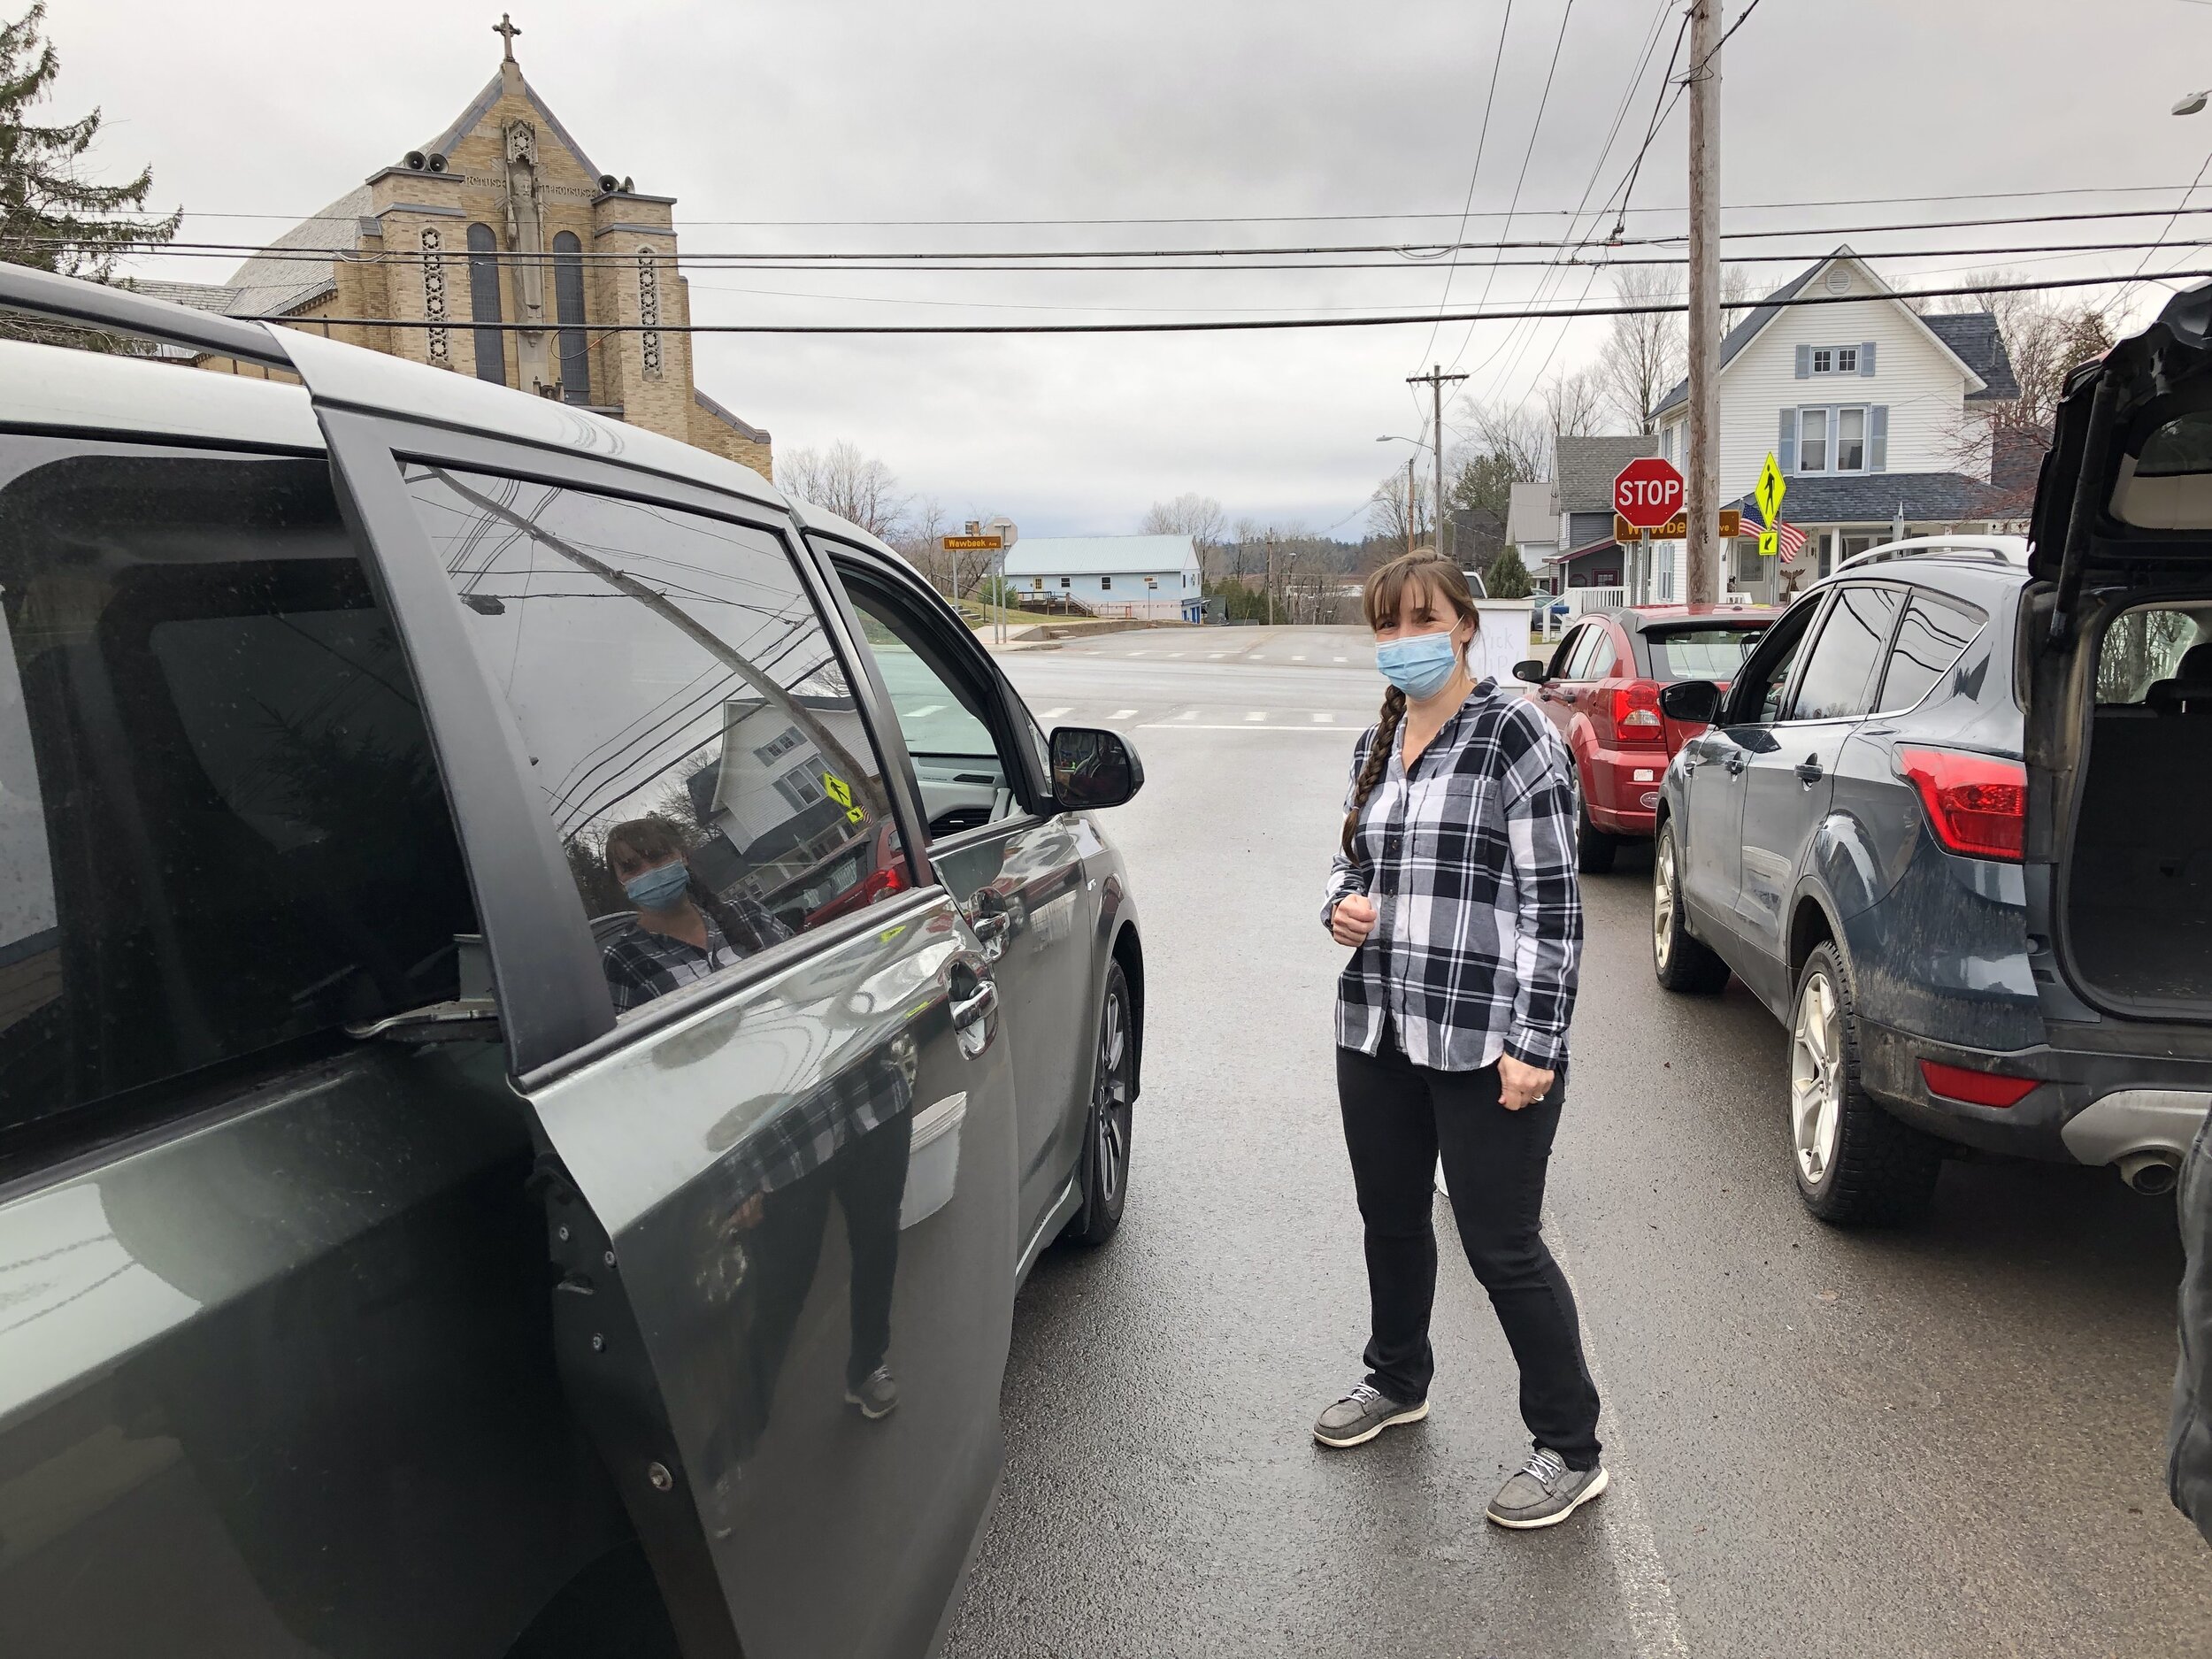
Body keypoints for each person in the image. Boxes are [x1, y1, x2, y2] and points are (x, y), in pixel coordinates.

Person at [1316, 549, 1607, 1531]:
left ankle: (1570, 1446)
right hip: (1380, 1023)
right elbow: (1347, 858)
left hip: (1485, 1037)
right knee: (1390, 1220)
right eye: (1386, 626)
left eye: (1422, 619)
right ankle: (1396, 1378)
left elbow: (1554, 910)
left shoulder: (1515, 733)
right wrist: (1340, 906)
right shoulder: (1376, 738)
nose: (1403, 640)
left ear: (1464, 624)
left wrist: (1537, 1042)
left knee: (1502, 1245)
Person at [599, 815, 792, 1011]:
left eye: (657, 857)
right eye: (631, 868)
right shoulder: (622, 961)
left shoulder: (750, 915)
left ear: (683, 856)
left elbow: (804, 982)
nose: (648, 871)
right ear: (620, 883)